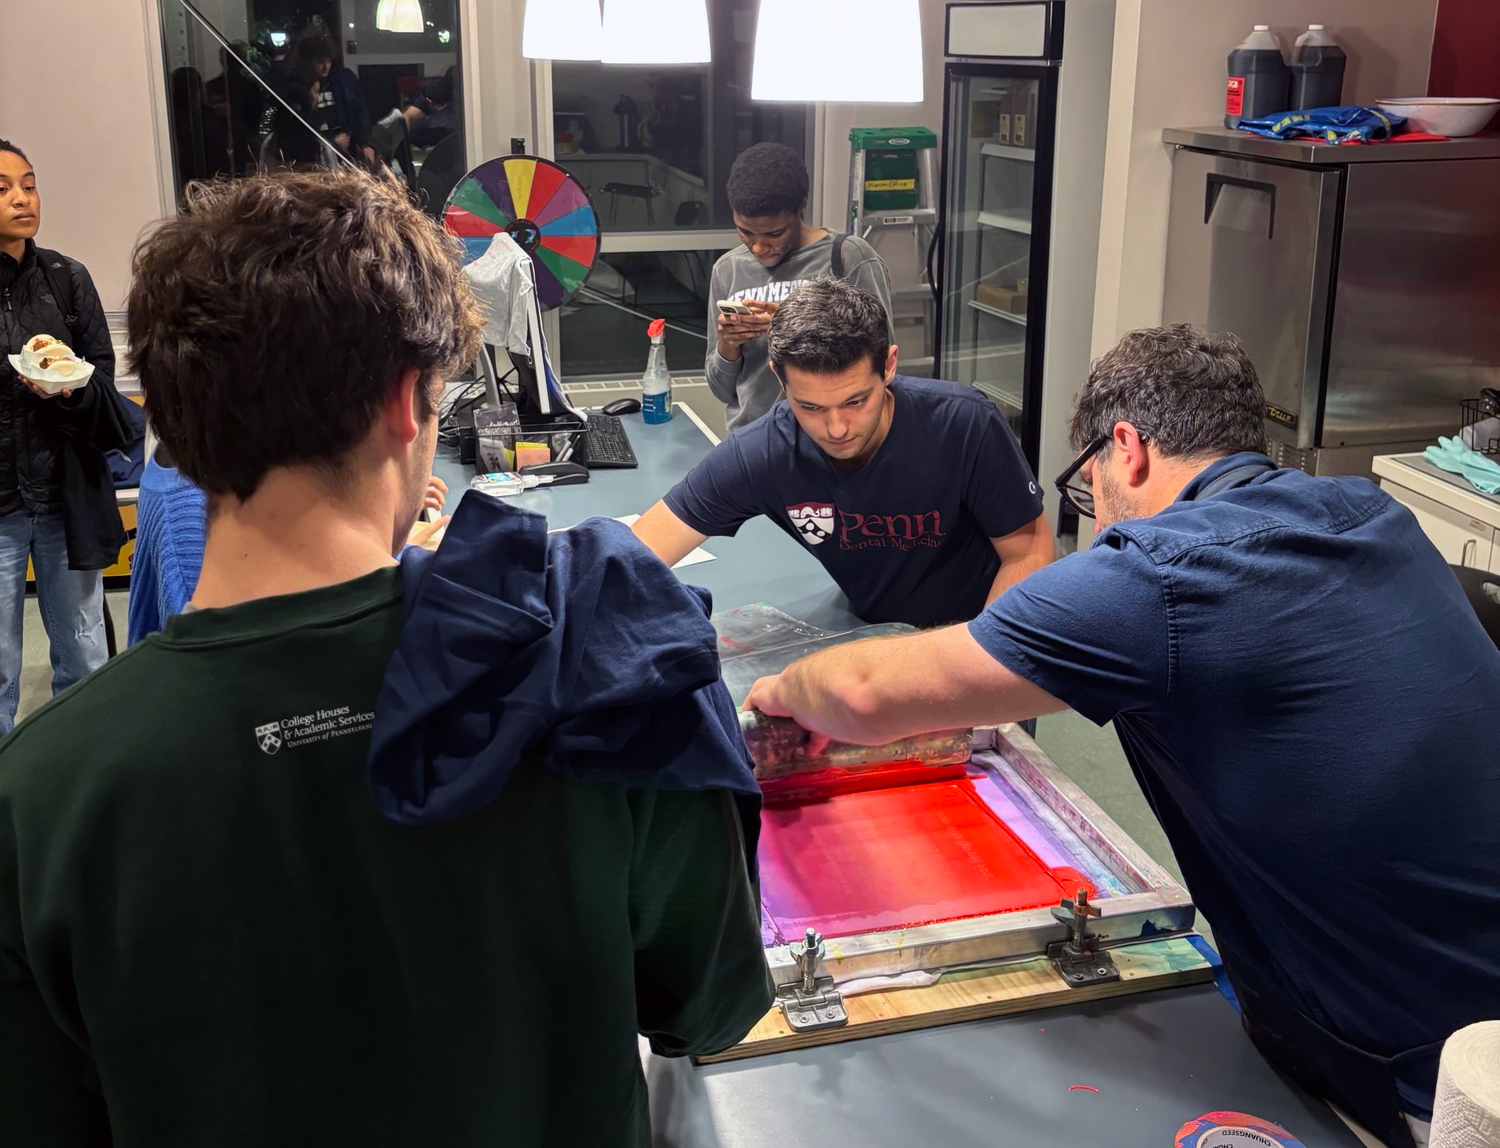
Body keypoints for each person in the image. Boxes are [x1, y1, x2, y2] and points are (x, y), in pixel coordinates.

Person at [0, 171, 771, 1146]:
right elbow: (707, 1004)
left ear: (175, 424)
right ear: (410, 404)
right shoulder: (597, 657)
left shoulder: (38, 801)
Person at [745, 324, 1500, 1148]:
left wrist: (782, 690)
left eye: (1088, 483)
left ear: (1127, 449)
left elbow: (863, 692)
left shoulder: (1167, 575)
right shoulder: (1367, 507)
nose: (1096, 510)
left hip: (1435, 1063)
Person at [634, 277, 1053, 627]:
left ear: (889, 366)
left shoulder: (963, 424)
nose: (835, 429)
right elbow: (639, 551)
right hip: (876, 635)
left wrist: (974, 663)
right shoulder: (765, 452)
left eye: (856, 401)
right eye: (811, 407)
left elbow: (1029, 553)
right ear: (780, 378)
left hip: (984, 632)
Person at [0, 139, 133, 736]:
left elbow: (101, 385)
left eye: (29, 184)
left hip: (63, 497)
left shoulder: (66, 278)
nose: (22, 198)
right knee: (0, 667)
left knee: (83, 655)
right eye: (3, 189)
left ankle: (85, 779)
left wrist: (67, 383)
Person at [708, 141, 893, 432]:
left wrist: (796, 326)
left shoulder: (849, 257)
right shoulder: (727, 270)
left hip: (831, 437)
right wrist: (728, 346)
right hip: (752, 440)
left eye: (774, 233)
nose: (758, 246)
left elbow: (883, 366)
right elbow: (721, 390)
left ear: (801, 208)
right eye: (745, 231)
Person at [302, 37, 374, 163]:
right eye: (320, 62)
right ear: (309, 62)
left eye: (328, 62)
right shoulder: (302, 85)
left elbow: (360, 110)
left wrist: (365, 143)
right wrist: (331, 143)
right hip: (317, 149)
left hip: (345, 142)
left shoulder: (342, 80)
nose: (325, 67)